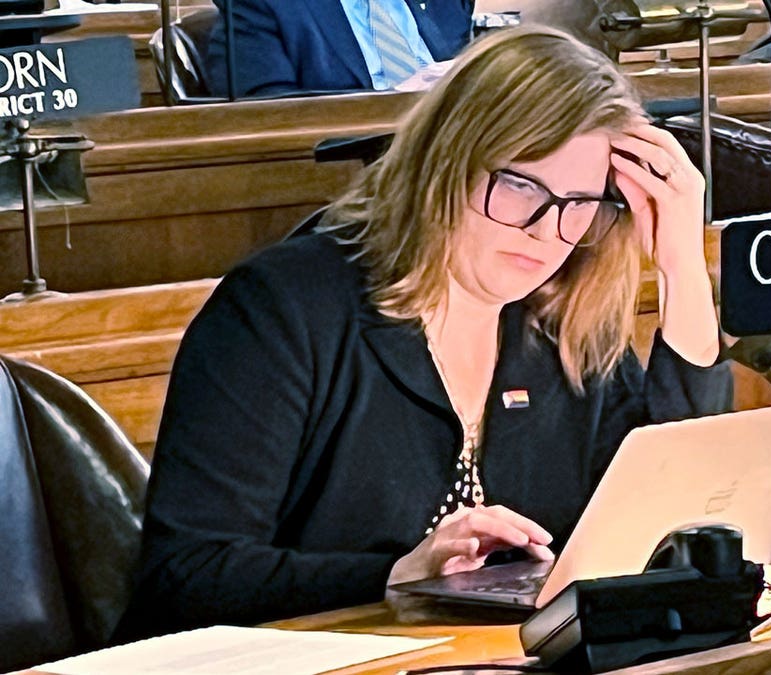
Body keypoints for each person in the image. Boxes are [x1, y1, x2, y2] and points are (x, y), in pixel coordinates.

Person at [117, 26, 731, 640]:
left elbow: (674, 517)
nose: (549, 231)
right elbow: (186, 576)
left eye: (580, 202)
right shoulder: (282, 309)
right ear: (448, 161)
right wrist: (396, 576)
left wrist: (682, 266)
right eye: (520, 186)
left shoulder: (563, 320)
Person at [206, 0, 475, 98]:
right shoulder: (258, 5)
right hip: (352, 180)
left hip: (465, 155)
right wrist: (391, 101)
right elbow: (263, 117)